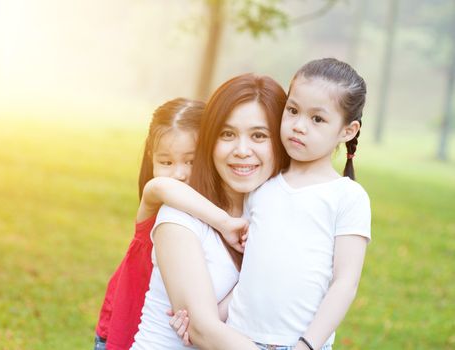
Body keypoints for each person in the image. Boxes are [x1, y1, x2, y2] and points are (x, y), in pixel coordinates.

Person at [170, 57, 371, 350]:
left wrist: (307, 345)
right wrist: (204, 320)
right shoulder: (262, 187)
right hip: (237, 339)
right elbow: (251, 275)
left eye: (317, 119)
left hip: (298, 344)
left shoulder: (347, 197)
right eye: (292, 111)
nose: (299, 126)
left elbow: (344, 284)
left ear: (347, 131)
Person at [130, 73, 289, 349]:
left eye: (259, 135)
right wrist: (204, 324)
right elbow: (202, 332)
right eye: (227, 134)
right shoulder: (178, 218)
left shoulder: (269, 214)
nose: (241, 150)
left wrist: (209, 318)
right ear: (209, 142)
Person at [94, 98, 206, 350]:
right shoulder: (155, 199)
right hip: (123, 328)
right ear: (151, 158)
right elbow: (161, 186)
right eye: (166, 162)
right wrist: (226, 222)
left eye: (191, 160)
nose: (179, 173)